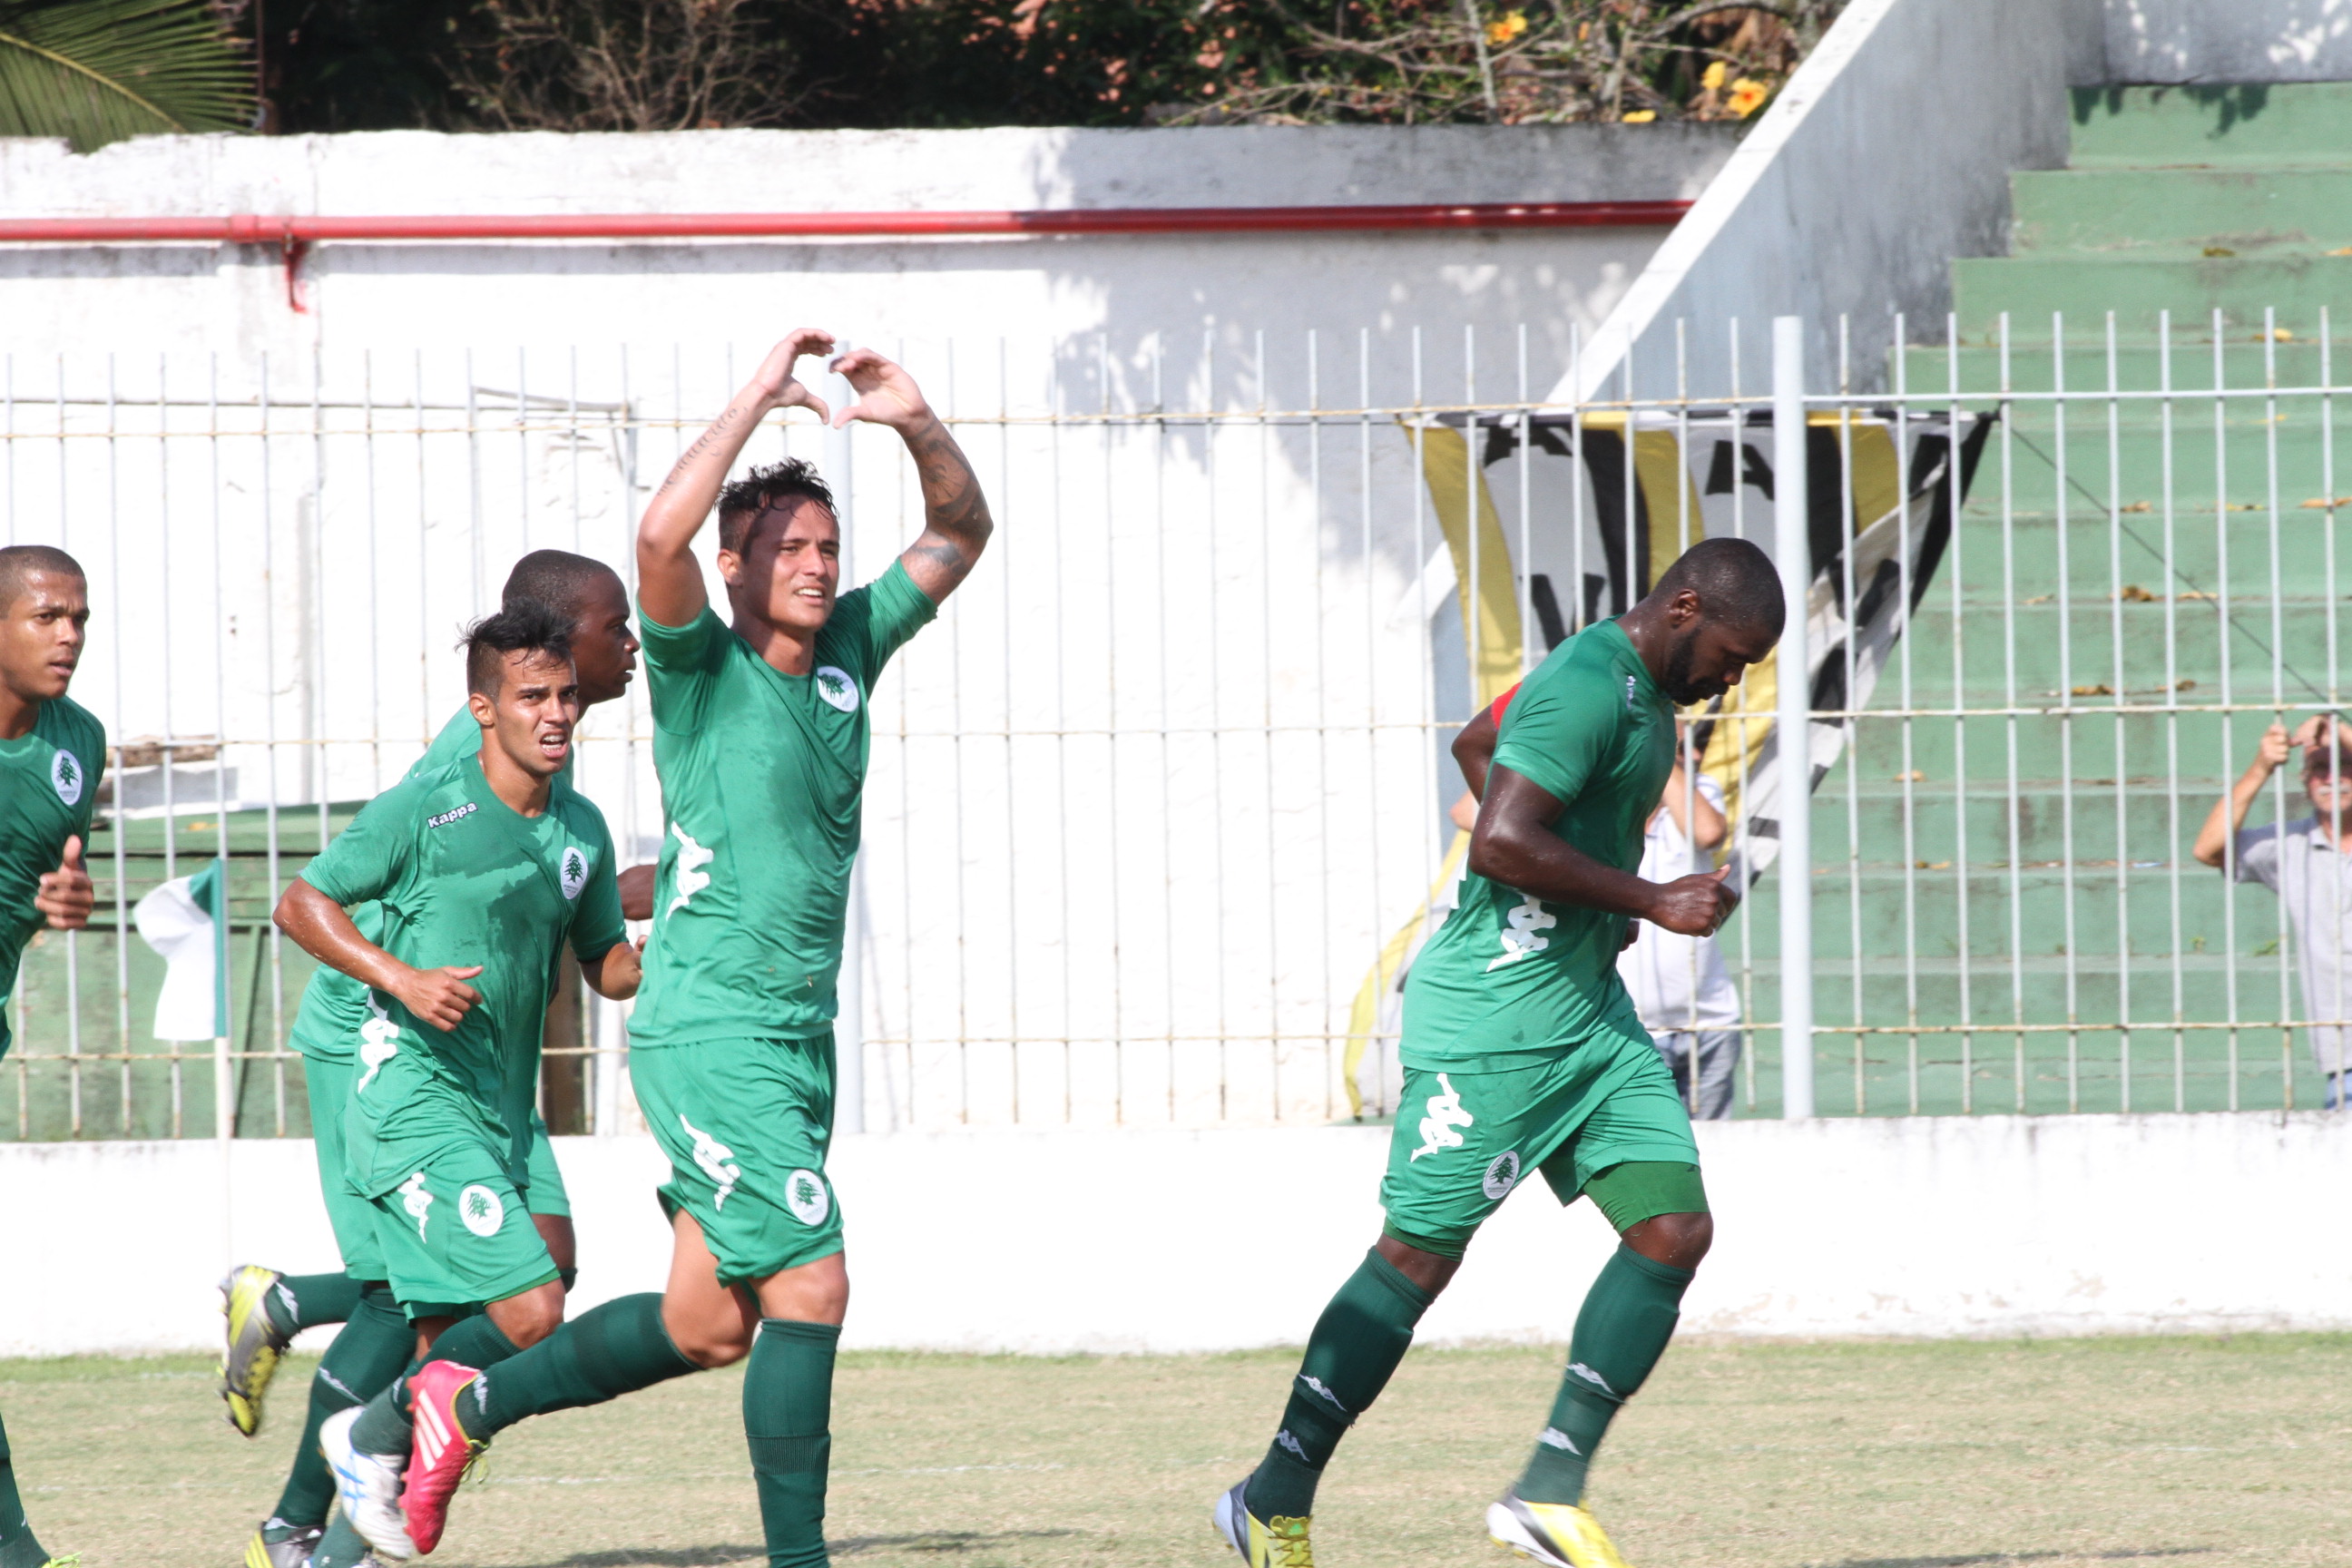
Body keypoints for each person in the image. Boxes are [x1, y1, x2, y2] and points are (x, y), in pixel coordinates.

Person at [341, 329, 993, 1568]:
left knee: (707, 1328)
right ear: (736, 570)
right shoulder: (700, 668)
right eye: (786, 549)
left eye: (825, 547)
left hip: (796, 1040)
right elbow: (655, 543)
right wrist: (755, 395)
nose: (813, 565)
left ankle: (461, 1404)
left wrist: (913, 420)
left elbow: (961, 534)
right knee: (814, 1286)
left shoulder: (852, 649)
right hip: (711, 1030)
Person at [1213, 536, 1783, 1568]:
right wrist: (1651, 898)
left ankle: (1546, 1491)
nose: (1730, 681)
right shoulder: (1588, 685)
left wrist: (1608, 905)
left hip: (1588, 1019)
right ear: (1686, 608)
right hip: (1494, 1020)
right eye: (1732, 657)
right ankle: (1273, 1493)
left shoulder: (1644, 694)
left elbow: (1478, 741)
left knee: (1673, 1229)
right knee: (1417, 1258)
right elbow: (1499, 839)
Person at [220, 551, 650, 1568]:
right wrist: (403, 981)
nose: (628, 648)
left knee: (521, 1284)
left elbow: (593, 944)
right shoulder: (445, 790)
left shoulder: (566, 791)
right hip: (384, 1054)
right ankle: (313, 1506)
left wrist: (681, 899)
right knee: (426, 1299)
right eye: (614, 629)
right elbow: (320, 900)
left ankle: (310, 1367)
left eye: (566, 690)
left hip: (493, 1081)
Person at [1455, 710, 1742, 1120]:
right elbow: (1468, 813)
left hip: (1708, 1020)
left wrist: (1660, 758)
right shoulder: (1582, 807)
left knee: (1713, 1155)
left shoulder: (1696, 793)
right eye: (1676, 748)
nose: (1692, 755)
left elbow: (1708, 832)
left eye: (1690, 746)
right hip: (1625, 1023)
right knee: (1648, 1145)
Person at [0, 544, 101, 1568]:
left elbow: (41, 888)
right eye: (45, 617)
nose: (68, 636)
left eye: (78, 617)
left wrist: (62, 909)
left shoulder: (79, 744)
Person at [2193, 713, 2352, 1108]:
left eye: (2344, 763)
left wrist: (2342, 729)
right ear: (2304, 778)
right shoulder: (2290, 844)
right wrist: (2261, 767)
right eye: (2319, 767)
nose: (2332, 778)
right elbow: (2208, 849)